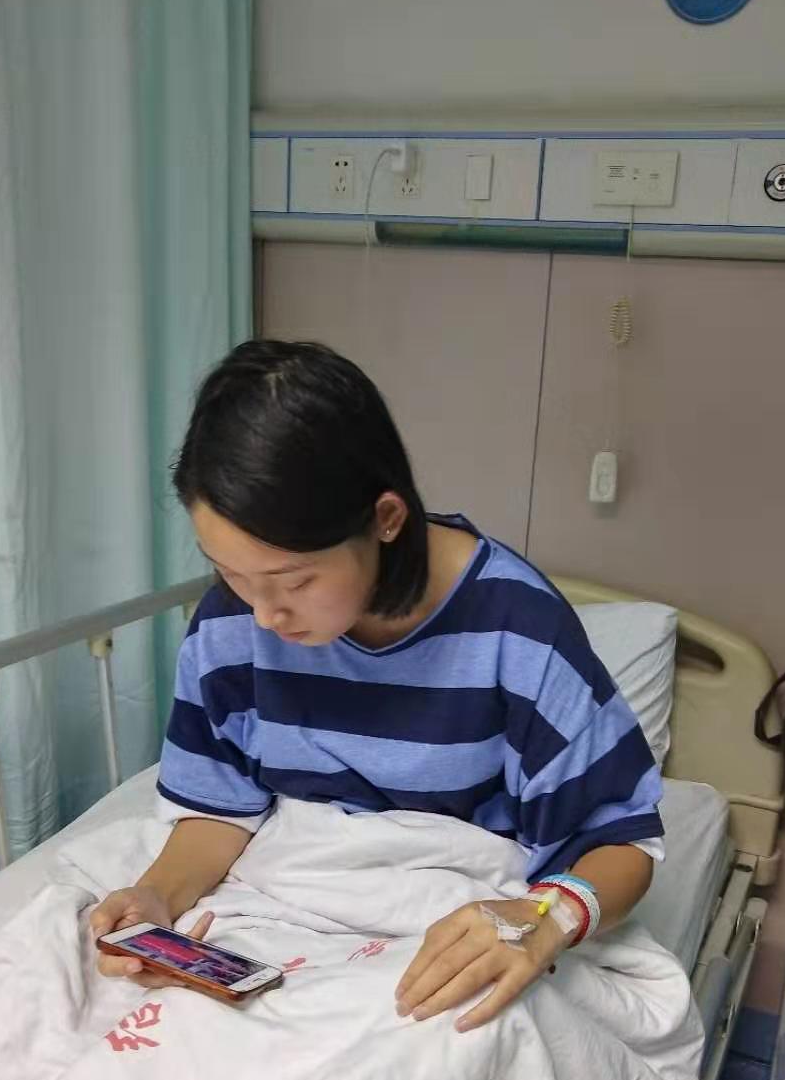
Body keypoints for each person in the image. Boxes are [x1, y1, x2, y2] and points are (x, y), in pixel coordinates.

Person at [90, 341, 663, 1032]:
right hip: (287, 903)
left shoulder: (520, 632)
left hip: (455, 915)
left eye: (294, 581)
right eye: (232, 575)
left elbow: (620, 842)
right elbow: (219, 811)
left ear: (386, 519)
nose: (263, 616)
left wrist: (546, 919)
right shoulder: (229, 622)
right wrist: (157, 897)